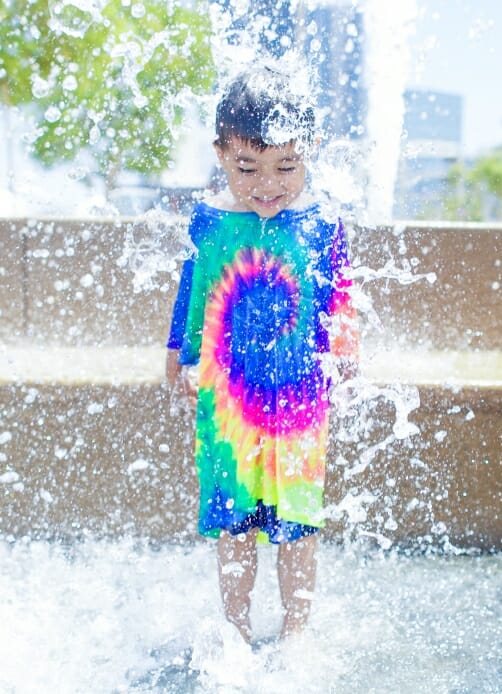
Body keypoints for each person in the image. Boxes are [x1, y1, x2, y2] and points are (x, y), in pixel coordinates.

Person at [166, 61, 358, 645]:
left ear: (310, 152)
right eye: (248, 167)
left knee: (298, 521)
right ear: (222, 153)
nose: (267, 183)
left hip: (299, 400)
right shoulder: (209, 221)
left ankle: (297, 630)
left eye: (286, 167)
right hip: (227, 403)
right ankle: (237, 629)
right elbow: (192, 292)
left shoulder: (322, 223)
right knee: (234, 522)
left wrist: (345, 355)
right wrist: (177, 355)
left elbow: (341, 296)